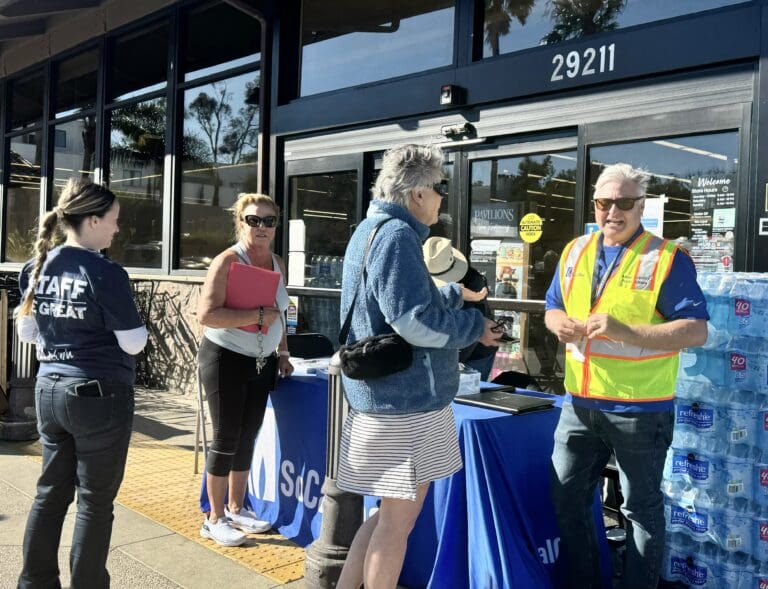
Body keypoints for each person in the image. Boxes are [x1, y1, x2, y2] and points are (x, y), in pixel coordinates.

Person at [335, 144, 502, 589]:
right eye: (440, 187)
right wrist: (473, 326)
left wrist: (454, 300)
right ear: (417, 194)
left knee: (383, 518)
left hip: (387, 401)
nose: (443, 197)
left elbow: (399, 310)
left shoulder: (370, 230)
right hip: (406, 406)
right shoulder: (397, 236)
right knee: (396, 526)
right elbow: (413, 321)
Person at [544, 163, 708, 589]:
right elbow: (553, 305)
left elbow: (696, 330)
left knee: (641, 512)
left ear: (641, 206)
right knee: (568, 501)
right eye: (604, 202)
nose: (613, 211)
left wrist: (625, 330)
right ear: (594, 204)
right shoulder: (575, 250)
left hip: (640, 409)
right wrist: (556, 321)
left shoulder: (667, 258)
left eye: (625, 203)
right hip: (578, 405)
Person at [15, 178, 148, 589]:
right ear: (92, 220)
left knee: (50, 493)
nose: (117, 229)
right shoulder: (105, 272)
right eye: (113, 220)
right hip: (98, 396)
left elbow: (28, 333)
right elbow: (133, 343)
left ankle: (34, 582)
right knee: (94, 501)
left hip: (50, 388)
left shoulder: (37, 264)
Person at [196, 193, 294, 547]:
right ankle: (214, 517)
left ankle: (237, 507)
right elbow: (206, 315)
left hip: (262, 361)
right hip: (224, 357)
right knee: (226, 436)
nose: (262, 227)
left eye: (268, 220)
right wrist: (254, 317)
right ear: (240, 222)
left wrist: (282, 352)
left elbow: (280, 313)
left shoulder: (278, 262)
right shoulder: (226, 261)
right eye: (254, 220)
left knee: (248, 435)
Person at [422, 236, 498, 380]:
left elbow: (476, 323)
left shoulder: (474, 282)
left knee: (469, 395)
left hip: (475, 350)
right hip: (451, 346)